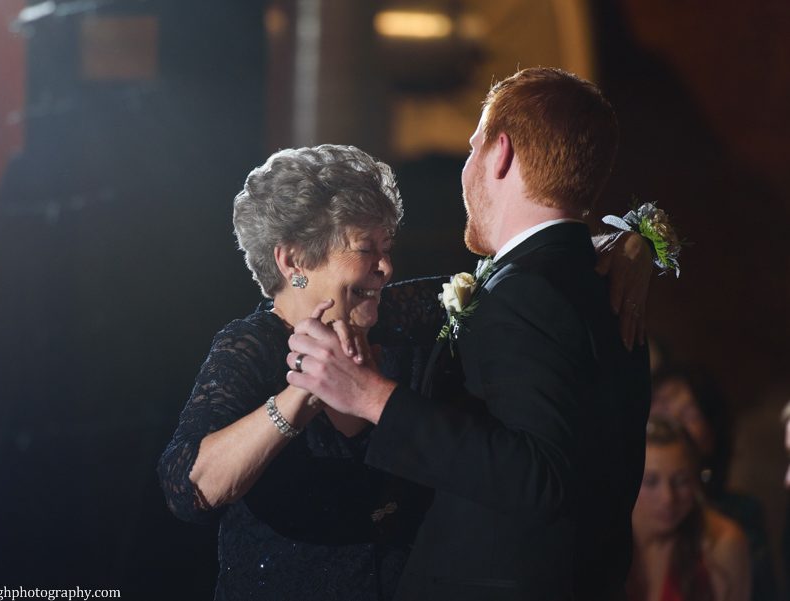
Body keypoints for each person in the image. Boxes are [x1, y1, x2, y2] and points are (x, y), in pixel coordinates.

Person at [158, 139, 652, 599]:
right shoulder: (248, 349)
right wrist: (303, 394)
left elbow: (515, 277)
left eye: (387, 247)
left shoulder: (405, 320)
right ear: (293, 261)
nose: (387, 268)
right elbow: (189, 488)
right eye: (365, 248)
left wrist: (629, 244)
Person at [287, 67, 651, 600]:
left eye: (473, 146)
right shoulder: (600, 282)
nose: (466, 167)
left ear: (500, 154)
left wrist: (373, 398)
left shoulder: (533, 289)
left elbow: (540, 473)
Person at [651, 367, 775, 601]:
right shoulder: (621, 512)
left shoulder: (738, 519)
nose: (675, 425)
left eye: (690, 415)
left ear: (711, 434)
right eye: (663, 412)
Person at [628, 417, 751, 601]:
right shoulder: (602, 539)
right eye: (651, 482)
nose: (668, 498)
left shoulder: (720, 543)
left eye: (681, 481)